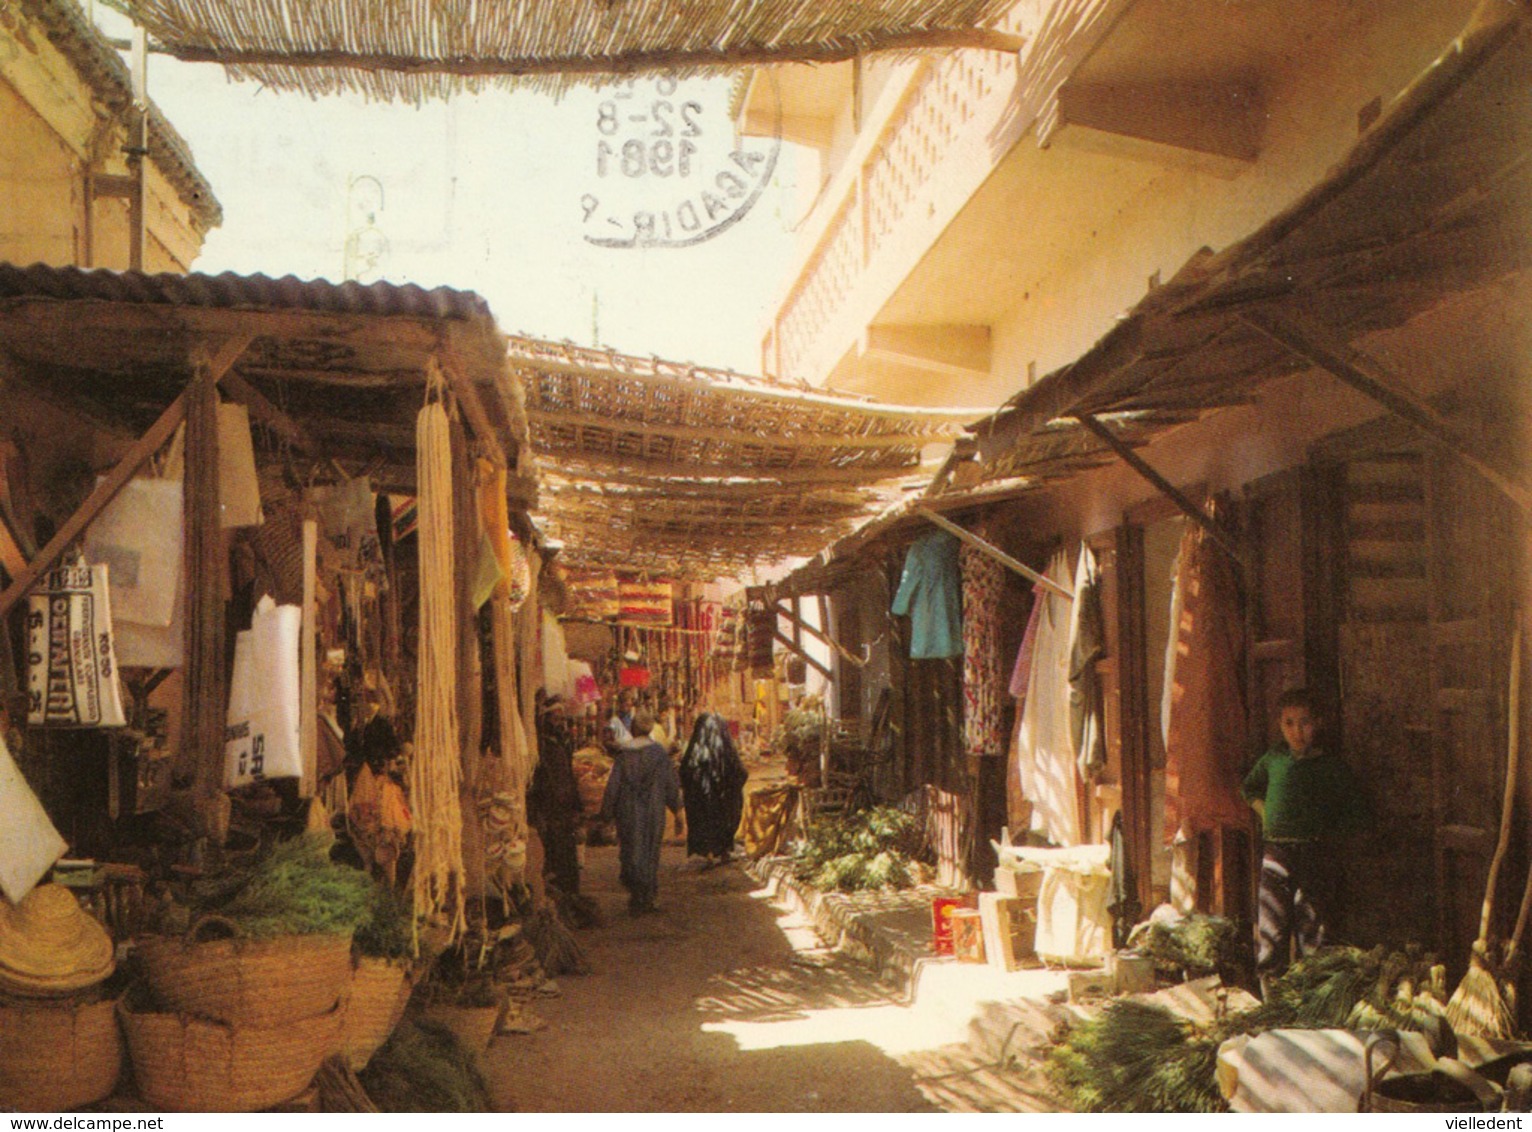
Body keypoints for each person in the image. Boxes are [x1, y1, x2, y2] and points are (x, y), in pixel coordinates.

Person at [1242, 687, 1370, 984]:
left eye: (1305, 722)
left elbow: (1355, 811)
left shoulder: (1331, 767)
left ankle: (1312, 999)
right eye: (1289, 723)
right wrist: (1266, 814)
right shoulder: (1274, 759)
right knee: (1271, 931)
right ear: (1280, 725)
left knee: (1313, 931)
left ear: (1319, 723)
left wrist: (1329, 833)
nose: (1297, 731)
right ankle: (1272, 1001)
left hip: (1315, 855)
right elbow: (1249, 788)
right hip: (1276, 854)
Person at [601, 708, 684, 915]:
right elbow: (670, 785)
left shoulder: (624, 756)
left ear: (633, 728)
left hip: (627, 811)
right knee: (650, 851)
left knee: (630, 850)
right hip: (653, 811)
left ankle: (636, 894)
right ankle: (648, 895)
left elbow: (613, 786)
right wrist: (678, 810)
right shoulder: (660, 755)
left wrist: (606, 814)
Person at [529, 692, 582, 896]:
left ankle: (569, 895)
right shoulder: (542, 745)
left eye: (561, 719)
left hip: (564, 809)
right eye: (555, 719)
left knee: (567, 857)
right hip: (550, 808)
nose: (559, 723)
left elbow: (567, 775)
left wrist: (576, 805)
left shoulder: (560, 742)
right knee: (554, 856)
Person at [679, 712, 749, 866]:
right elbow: (741, 773)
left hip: (701, 801)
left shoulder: (695, 750)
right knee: (725, 814)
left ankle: (709, 852)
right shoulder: (726, 751)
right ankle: (724, 851)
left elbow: (684, 773)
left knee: (704, 818)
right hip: (723, 801)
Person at [604, 688, 637, 755]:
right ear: (619, 704)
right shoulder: (613, 721)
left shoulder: (635, 719)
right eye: (623, 701)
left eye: (628, 702)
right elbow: (607, 742)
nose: (625, 705)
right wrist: (617, 746)